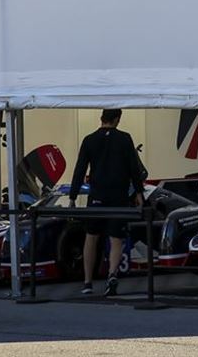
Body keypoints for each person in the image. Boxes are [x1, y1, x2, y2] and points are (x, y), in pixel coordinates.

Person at [68, 108, 146, 297]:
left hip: (97, 195)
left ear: (101, 118)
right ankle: (112, 275)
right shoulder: (125, 138)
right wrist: (138, 192)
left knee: (91, 237)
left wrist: (72, 195)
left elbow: (80, 169)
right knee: (116, 238)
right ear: (117, 119)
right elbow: (133, 168)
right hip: (118, 196)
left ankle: (87, 282)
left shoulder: (89, 140)